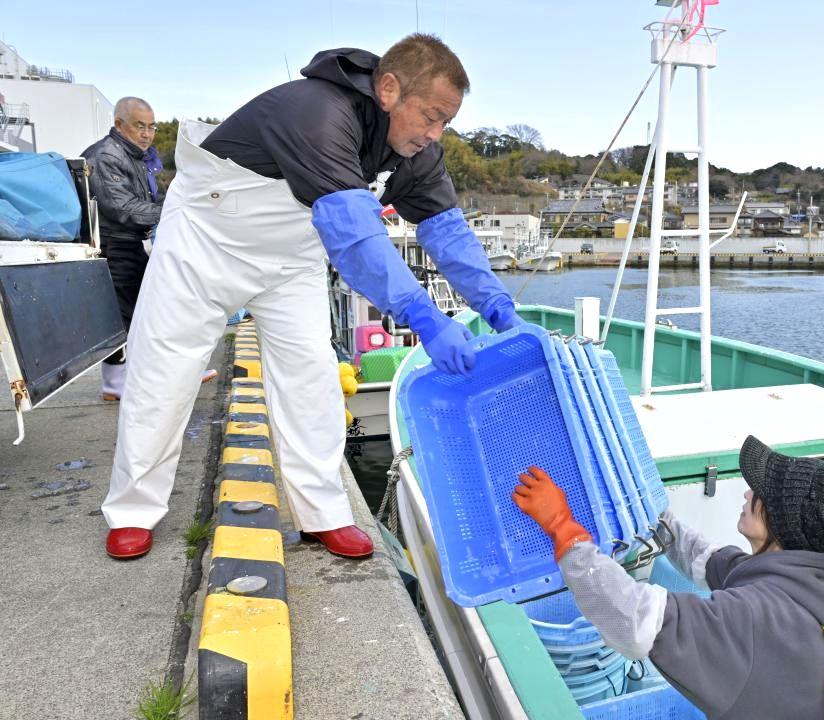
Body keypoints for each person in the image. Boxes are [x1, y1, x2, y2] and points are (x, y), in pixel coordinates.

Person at [102, 35, 522, 560]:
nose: (436, 134)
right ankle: (134, 510)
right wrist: (427, 319)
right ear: (389, 89)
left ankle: (323, 512)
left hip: (291, 257)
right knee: (164, 371)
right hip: (206, 241)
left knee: (312, 378)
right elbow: (355, 237)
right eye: (431, 117)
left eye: (446, 123)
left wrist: (501, 308)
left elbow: (448, 233)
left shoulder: (418, 152)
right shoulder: (317, 111)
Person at [513, 435, 824, 720]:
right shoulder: (805, 584)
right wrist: (653, 513)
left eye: (760, 494)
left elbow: (637, 622)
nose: (748, 492)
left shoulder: (752, 618)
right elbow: (708, 558)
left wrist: (561, 527)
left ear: (783, 526)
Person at [83, 98, 218, 402]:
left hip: (130, 242)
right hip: (114, 244)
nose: (147, 133)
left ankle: (136, 379)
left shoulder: (134, 156)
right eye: (139, 126)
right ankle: (121, 382)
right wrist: (176, 209)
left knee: (149, 310)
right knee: (134, 314)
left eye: (152, 126)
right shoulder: (106, 156)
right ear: (120, 125)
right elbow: (122, 208)